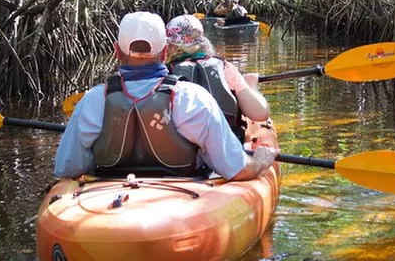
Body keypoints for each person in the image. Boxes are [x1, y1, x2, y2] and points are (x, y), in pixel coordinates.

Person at [54, 11, 278, 180]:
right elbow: (236, 169)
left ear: (116, 51)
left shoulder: (93, 100)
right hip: (183, 198)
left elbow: (67, 168)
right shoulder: (193, 99)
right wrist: (259, 162)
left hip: (108, 200)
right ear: (164, 52)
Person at [165, 14, 269, 137]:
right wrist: (251, 87)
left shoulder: (165, 74)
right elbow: (260, 113)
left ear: (170, 45)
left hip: (184, 147)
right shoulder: (225, 68)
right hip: (226, 143)